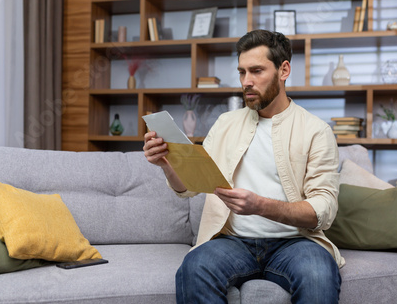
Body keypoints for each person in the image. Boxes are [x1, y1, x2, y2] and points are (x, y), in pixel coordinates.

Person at [143, 29, 344, 304]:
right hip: (233, 241)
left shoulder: (316, 131)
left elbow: (324, 209)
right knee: (195, 268)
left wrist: (261, 206)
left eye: (257, 71)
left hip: (295, 242)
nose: (246, 82)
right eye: (241, 72)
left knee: (319, 274)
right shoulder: (226, 123)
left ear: (283, 70)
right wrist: (167, 163)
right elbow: (190, 186)